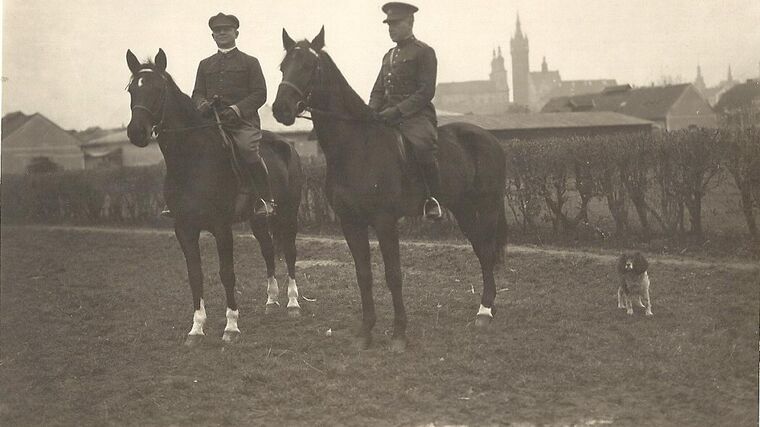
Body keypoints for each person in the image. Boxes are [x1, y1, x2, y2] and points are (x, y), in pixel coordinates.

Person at [162, 12, 273, 219]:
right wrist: (201, 103)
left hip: (242, 123)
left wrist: (236, 109)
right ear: (213, 36)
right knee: (183, 149)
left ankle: (264, 200)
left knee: (247, 149)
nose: (221, 33)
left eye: (226, 29)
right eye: (217, 31)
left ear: (236, 33)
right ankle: (176, 201)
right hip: (210, 122)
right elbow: (197, 92)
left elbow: (260, 93)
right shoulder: (205, 64)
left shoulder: (250, 62)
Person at [368, 2, 442, 220]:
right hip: (387, 117)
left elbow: (426, 91)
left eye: (396, 24)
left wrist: (398, 111)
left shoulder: (424, 52)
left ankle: (432, 199)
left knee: (422, 147)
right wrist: (371, 113)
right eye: (389, 24)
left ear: (410, 22)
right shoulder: (388, 56)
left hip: (416, 116)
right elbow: (377, 90)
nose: (391, 28)